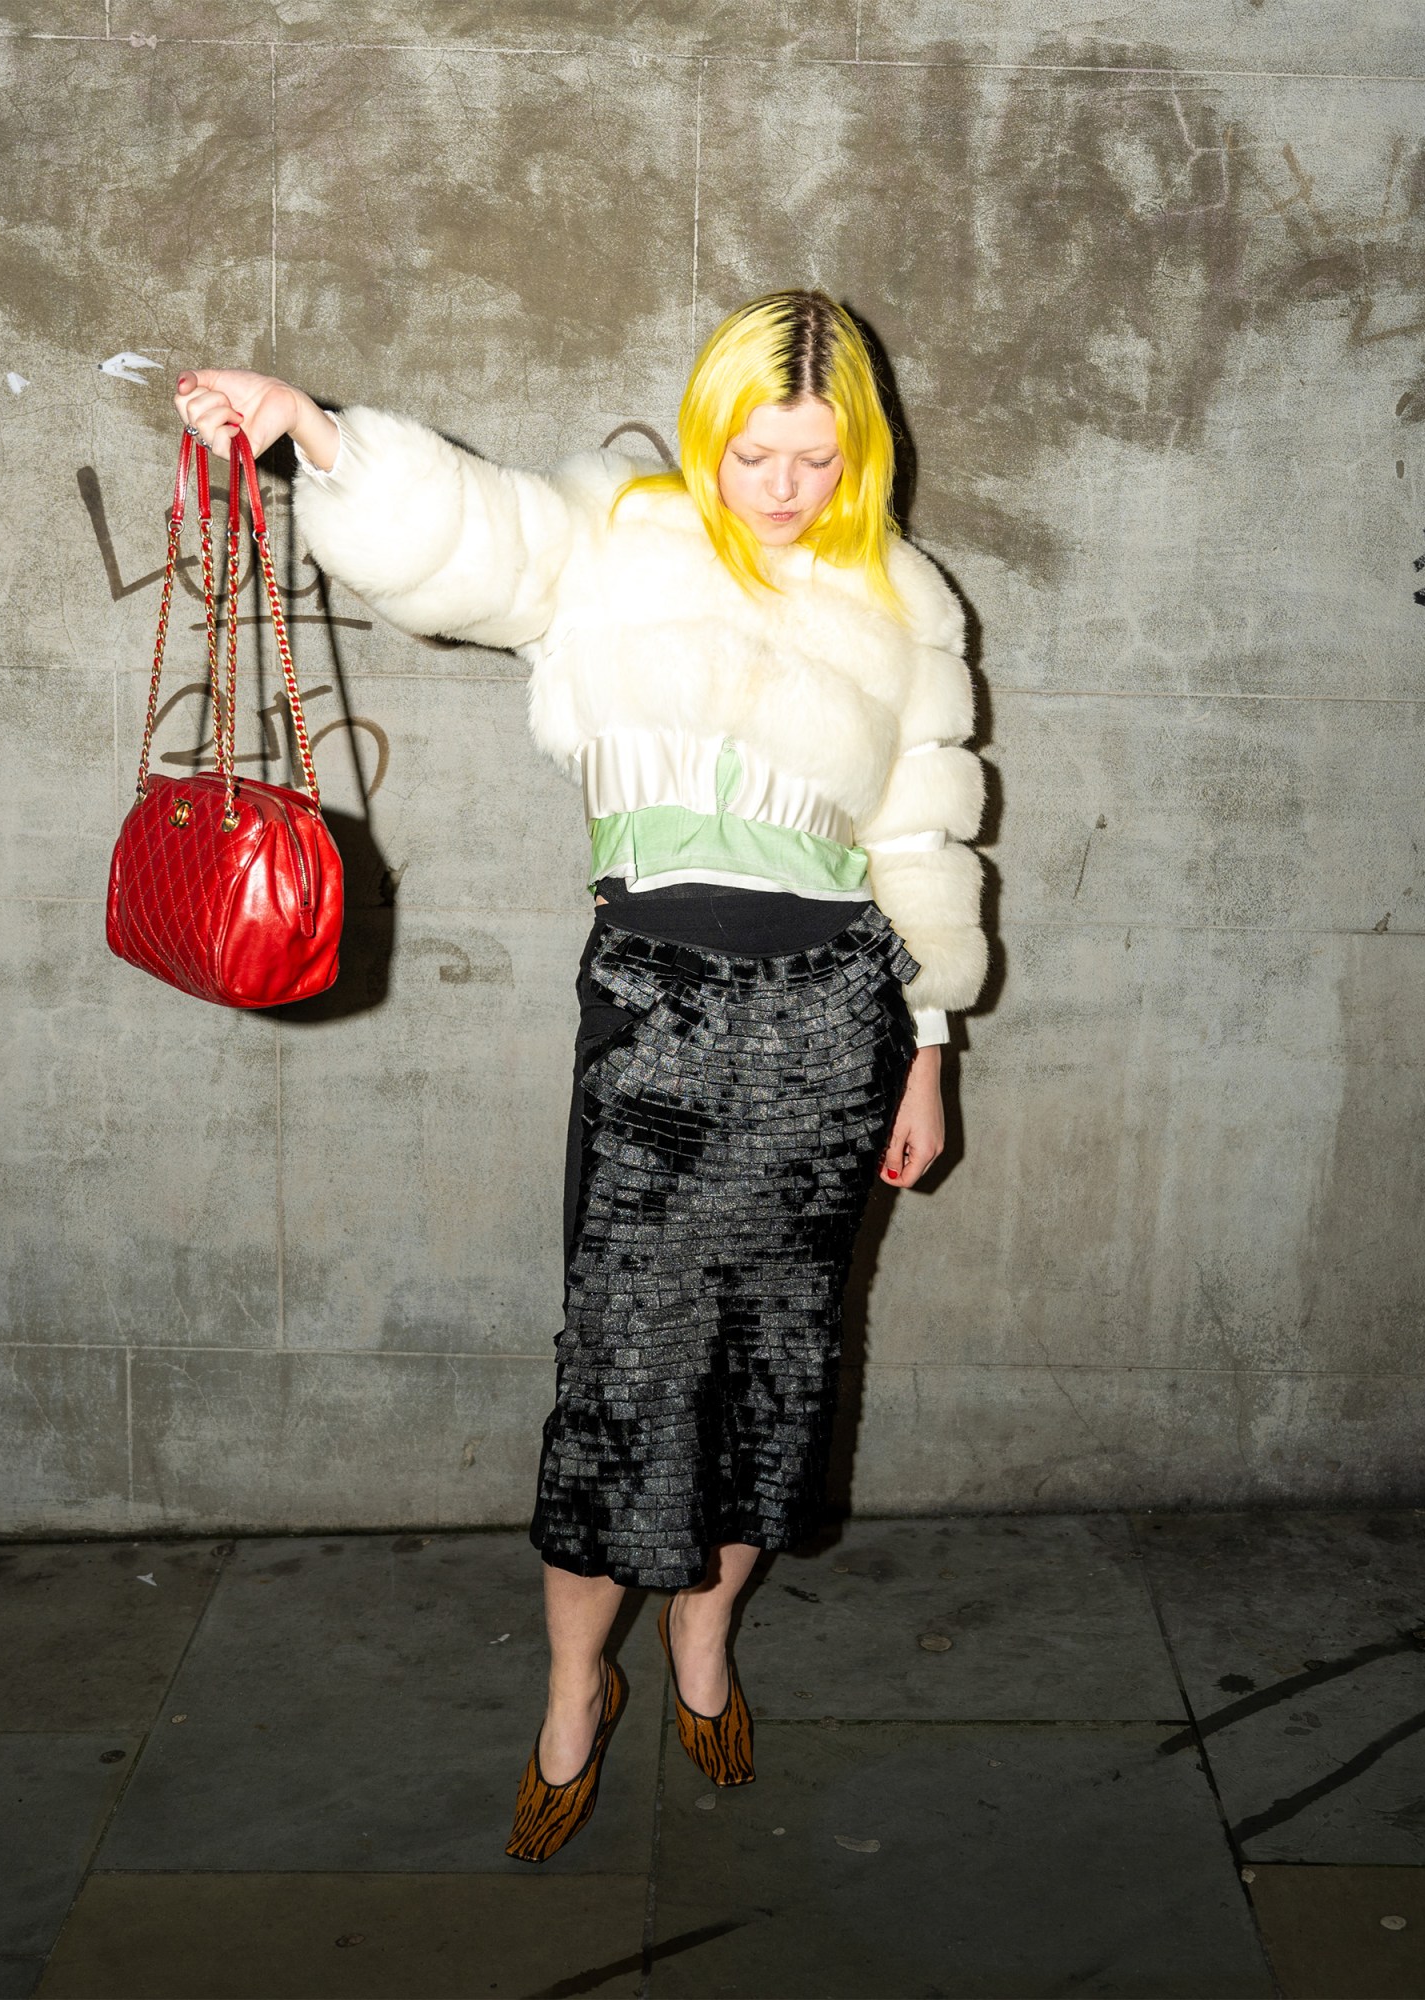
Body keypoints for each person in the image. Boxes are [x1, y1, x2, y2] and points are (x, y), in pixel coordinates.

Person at [174, 288, 987, 1863]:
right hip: (657, 1010)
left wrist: (930, 1046)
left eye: (818, 458)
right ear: (709, 431)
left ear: (861, 452)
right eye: (755, 451)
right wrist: (318, 434)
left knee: (774, 1373)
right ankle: (571, 1692)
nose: (784, 487)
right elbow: (471, 538)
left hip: (837, 1024)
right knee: (622, 1383)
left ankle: (702, 1641)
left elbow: (922, 836)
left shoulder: (902, 594)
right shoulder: (622, 533)